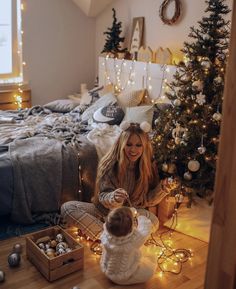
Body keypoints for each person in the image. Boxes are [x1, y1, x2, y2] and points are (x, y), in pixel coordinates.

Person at [61, 121, 172, 241]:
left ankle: (113, 239)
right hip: (103, 212)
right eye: (129, 144)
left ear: (144, 147)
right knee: (67, 208)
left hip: (130, 215)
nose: (133, 150)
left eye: (138, 145)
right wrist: (114, 198)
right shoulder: (109, 164)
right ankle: (114, 239)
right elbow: (102, 196)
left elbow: (148, 200)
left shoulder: (148, 167)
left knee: (153, 221)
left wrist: (163, 189)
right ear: (121, 144)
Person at [100, 206, 157, 285]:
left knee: (137, 251)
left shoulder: (105, 234)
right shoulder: (134, 240)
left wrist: (130, 212)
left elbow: (117, 219)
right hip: (124, 276)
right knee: (149, 270)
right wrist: (141, 218)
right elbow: (145, 229)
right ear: (130, 228)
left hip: (107, 269)